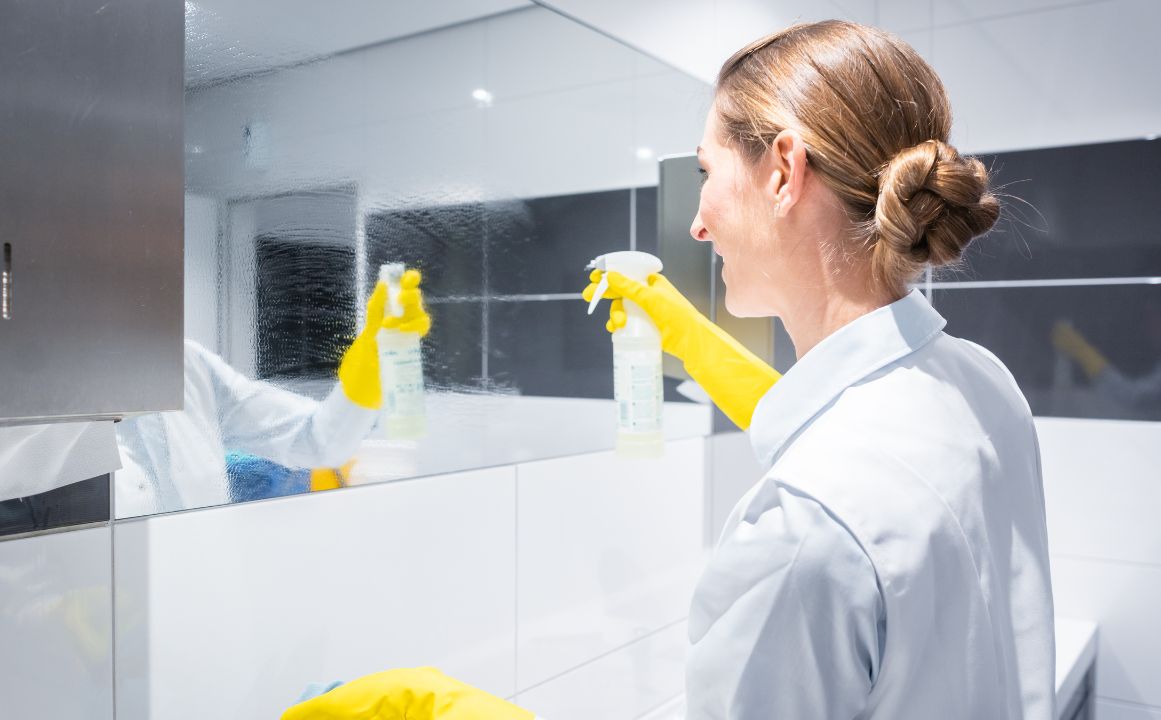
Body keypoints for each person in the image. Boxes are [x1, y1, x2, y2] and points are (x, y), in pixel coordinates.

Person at [283, 20, 1054, 720]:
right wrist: (685, 334)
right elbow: (848, 437)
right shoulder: (981, 384)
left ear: (783, 171)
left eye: (705, 172)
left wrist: (451, 710)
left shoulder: (804, 526)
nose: (696, 219)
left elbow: (838, 491)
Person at [113, 270, 431, 517]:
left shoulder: (188, 366)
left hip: (206, 589)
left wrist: (367, 370)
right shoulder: (63, 404)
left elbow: (317, 441)